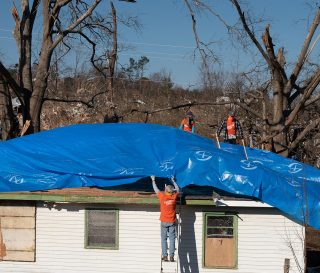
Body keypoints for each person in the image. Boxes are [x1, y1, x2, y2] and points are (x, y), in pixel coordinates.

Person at [151, 175, 179, 262]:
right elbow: (177, 189)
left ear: (166, 191)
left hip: (164, 221)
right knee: (172, 239)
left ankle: (165, 256)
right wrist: (174, 181)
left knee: (163, 239)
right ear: (172, 192)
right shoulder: (174, 198)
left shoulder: (162, 197)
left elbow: (156, 189)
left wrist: (153, 180)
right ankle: (171, 256)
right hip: (172, 221)